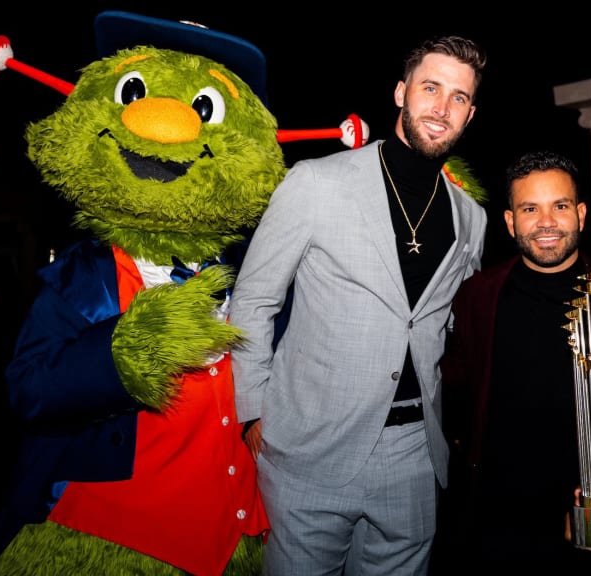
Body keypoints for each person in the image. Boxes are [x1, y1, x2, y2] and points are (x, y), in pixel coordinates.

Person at [230, 35, 488, 575]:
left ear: (470, 113)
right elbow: (254, 299)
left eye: (458, 97)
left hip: (415, 455)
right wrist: (253, 412)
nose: (442, 107)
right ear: (401, 92)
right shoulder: (316, 182)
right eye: (431, 88)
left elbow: (454, 327)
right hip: (308, 451)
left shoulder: (471, 219)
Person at [437, 149, 591, 571]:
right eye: (530, 208)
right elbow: (454, 388)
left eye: (560, 206)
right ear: (511, 221)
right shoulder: (477, 296)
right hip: (496, 523)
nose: (546, 222)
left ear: (581, 214)